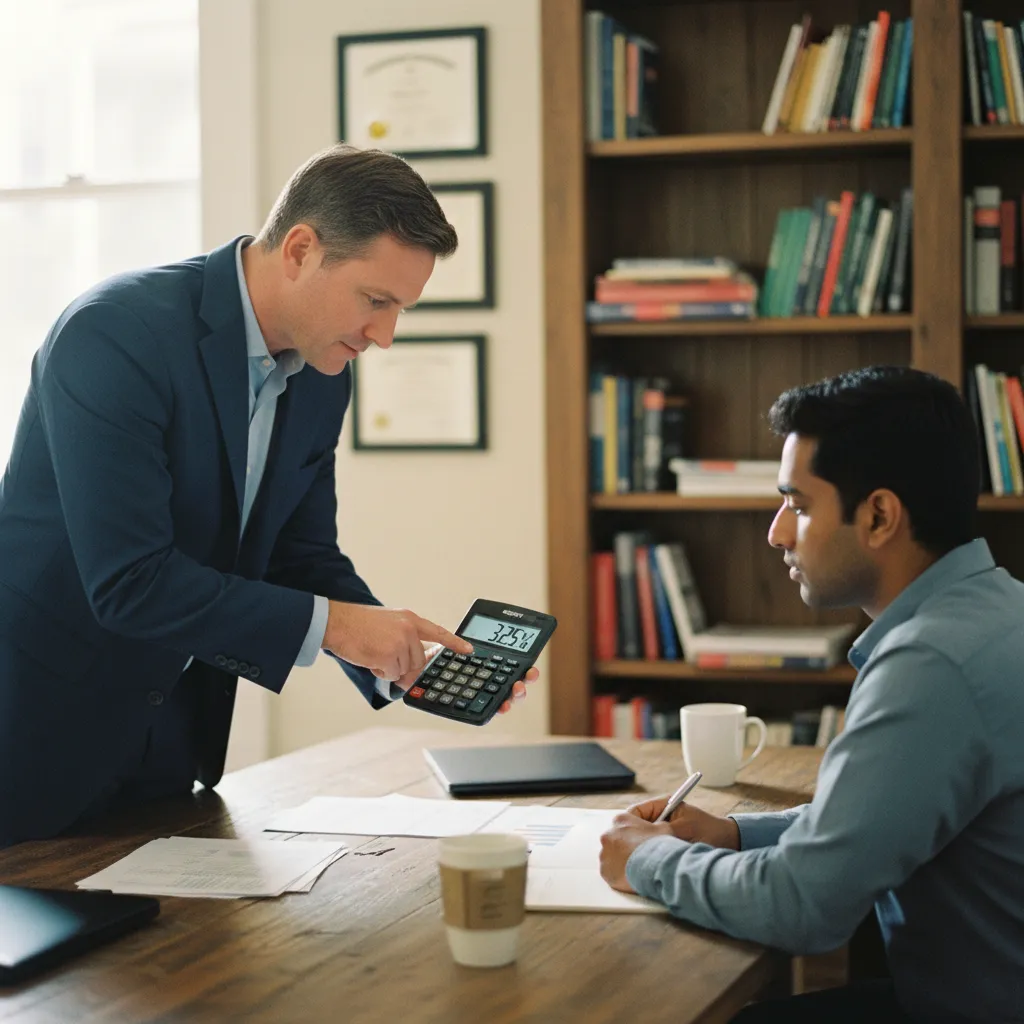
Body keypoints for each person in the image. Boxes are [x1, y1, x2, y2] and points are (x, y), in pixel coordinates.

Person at [0, 144, 537, 849]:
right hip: (34, 736)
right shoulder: (113, 333)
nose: (384, 336)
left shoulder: (322, 373)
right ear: (301, 250)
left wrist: (399, 659)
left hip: (171, 745)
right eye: (376, 301)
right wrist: (339, 628)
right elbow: (131, 582)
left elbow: (299, 554)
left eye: (400, 309)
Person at [599, 366, 1024, 1023]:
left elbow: (803, 906)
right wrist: (732, 834)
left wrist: (649, 858)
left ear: (879, 516)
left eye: (798, 506)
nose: (777, 532)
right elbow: (884, 819)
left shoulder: (930, 664)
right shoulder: (999, 609)